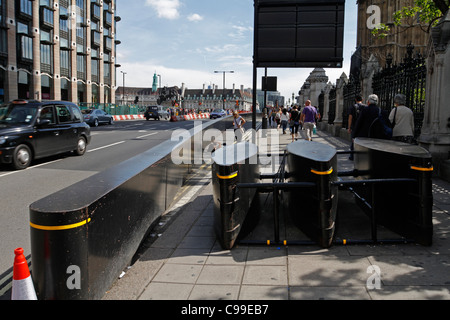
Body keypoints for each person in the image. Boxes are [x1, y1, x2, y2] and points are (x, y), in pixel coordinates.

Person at [348, 95, 366, 160]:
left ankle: (352, 156)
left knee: (353, 141)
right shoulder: (365, 107)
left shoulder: (352, 107)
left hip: (354, 127)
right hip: (362, 127)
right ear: (362, 99)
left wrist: (349, 127)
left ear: (355, 100)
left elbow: (350, 118)